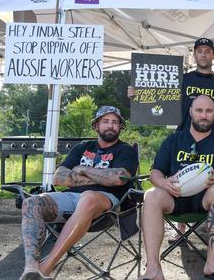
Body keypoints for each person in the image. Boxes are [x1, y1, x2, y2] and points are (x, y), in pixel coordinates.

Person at [129, 37, 214, 238]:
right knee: (180, 177)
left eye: (207, 51)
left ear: (213, 55)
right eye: (200, 51)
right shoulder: (183, 78)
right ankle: (181, 228)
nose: (203, 54)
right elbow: (161, 97)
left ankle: (197, 226)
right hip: (183, 139)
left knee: (207, 182)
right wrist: (138, 94)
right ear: (194, 55)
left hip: (211, 141)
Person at [19, 106, 138, 280]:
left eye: (115, 122)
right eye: (105, 121)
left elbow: (117, 179)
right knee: (31, 203)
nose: (110, 126)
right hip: (71, 198)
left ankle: (45, 268)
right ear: (96, 126)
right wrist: (101, 176)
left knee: (88, 197)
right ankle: (31, 267)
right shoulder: (82, 147)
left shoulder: (126, 151)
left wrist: (83, 169)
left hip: (105, 202)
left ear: (120, 126)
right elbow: (59, 178)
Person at [140, 95, 214, 280]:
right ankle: (153, 268)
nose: (204, 115)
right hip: (174, 198)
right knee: (152, 195)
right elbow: (155, 173)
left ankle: (212, 262)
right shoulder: (174, 140)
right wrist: (164, 183)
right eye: (199, 110)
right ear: (191, 112)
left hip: (204, 200)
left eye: (209, 111)